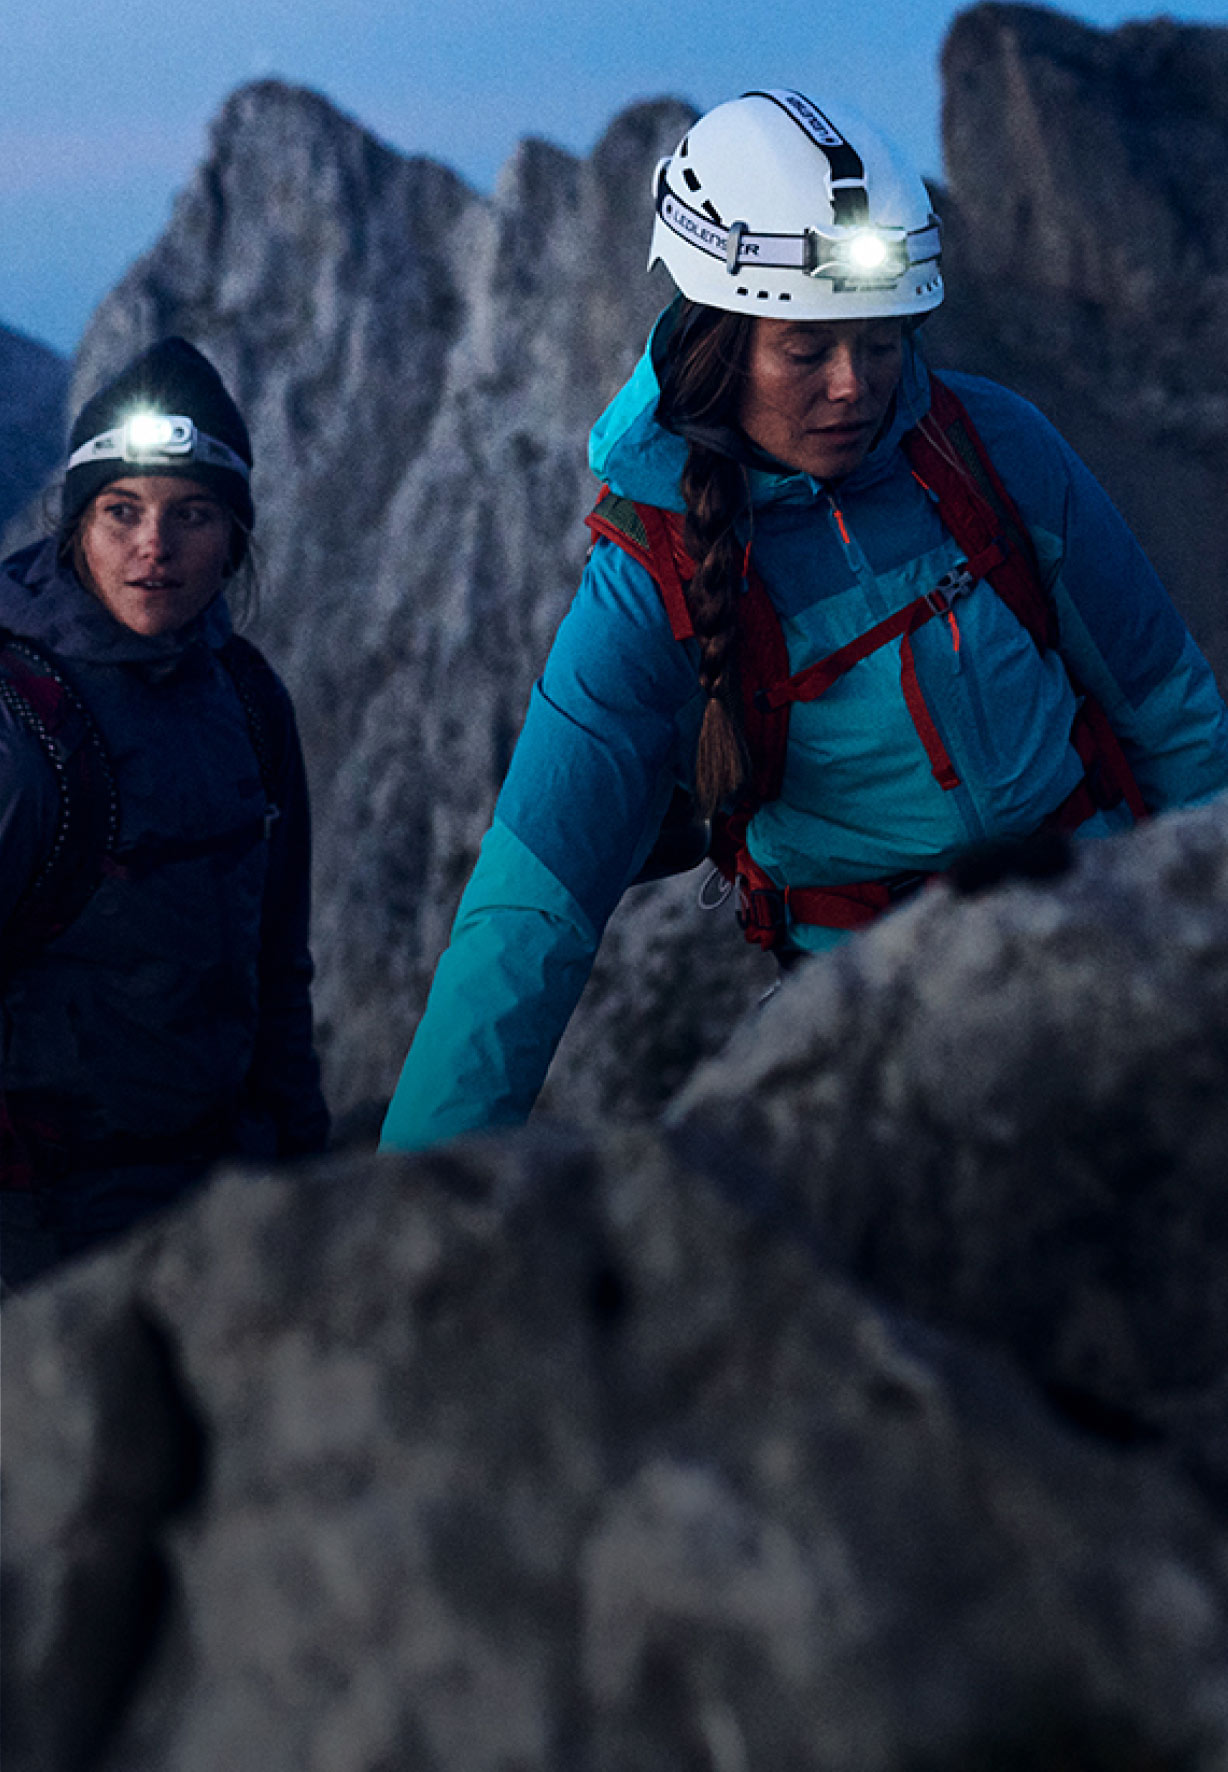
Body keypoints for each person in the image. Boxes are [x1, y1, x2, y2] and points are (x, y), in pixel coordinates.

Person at [380, 88, 1228, 1154]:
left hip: (1101, 941)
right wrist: (419, 1185)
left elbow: (1173, 719)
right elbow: (528, 909)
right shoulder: (651, 579)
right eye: (807, 349)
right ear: (717, 337)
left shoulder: (995, 449)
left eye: (880, 345)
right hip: (871, 1019)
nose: (854, 387)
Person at [0, 337, 329, 1288]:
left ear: (233, 536)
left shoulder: (249, 699)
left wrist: (307, 1177)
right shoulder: (22, 726)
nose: (155, 545)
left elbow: (278, 971)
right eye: (121, 512)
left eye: (192, 513)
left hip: (225, 1210)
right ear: (75, 527)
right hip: (44, 1243)